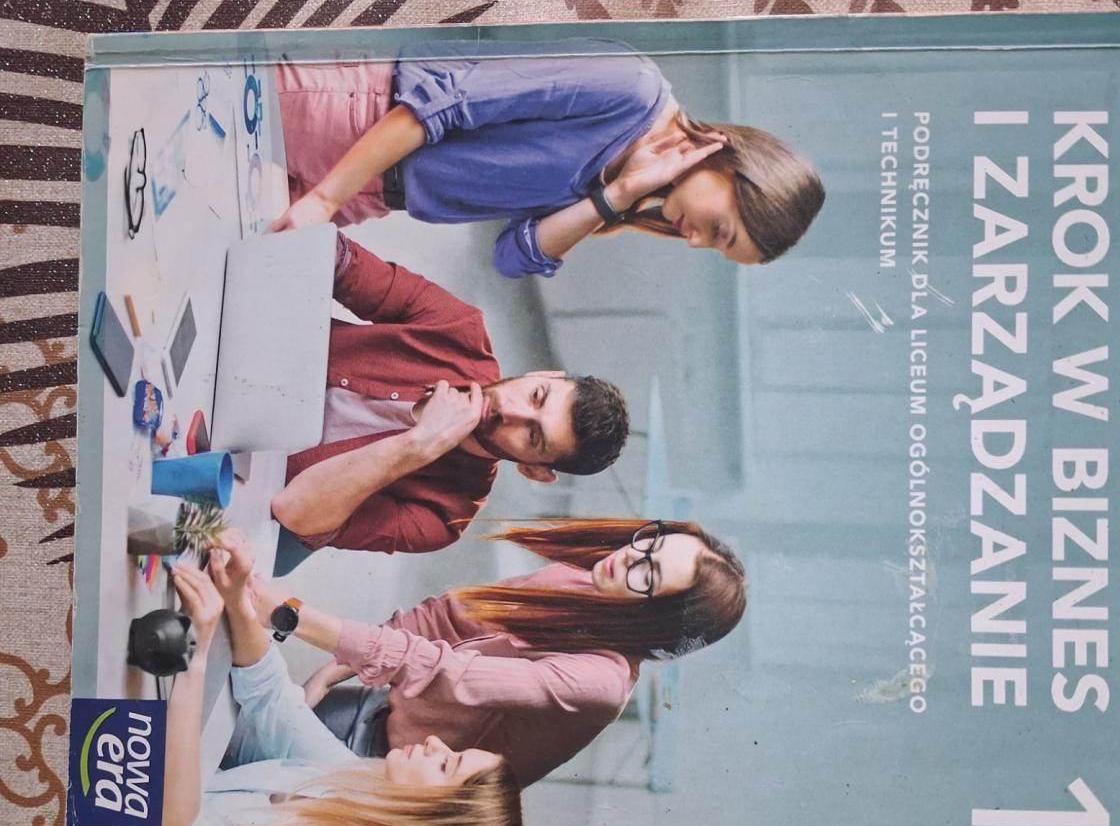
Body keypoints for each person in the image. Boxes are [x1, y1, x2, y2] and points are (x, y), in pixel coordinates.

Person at [245, 518, 747, 788]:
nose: (629, 557)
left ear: (658, 619)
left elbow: (448, 672)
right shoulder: (577, 582)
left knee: (210, 777)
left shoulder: (600, 683)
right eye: (650, 544)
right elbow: (447, 617)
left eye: (649, 575)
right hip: (377, 713)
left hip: (384, 778)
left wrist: (291, 614)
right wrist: (330, 673)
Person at [145, 551, 524, 826]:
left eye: (446, 765)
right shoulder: (353, 783)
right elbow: (273, 701)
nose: (435, 743)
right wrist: (237, 599)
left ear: (435, 823)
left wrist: (197, 649)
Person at [267, 41, 825, 278]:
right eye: (721, 231)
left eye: (716, 249)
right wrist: (326, 198)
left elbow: (512, 259)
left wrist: (613, 199)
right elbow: (443, 102)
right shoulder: (631, 88)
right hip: (351, 117)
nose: (697, 242)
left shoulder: (628, 188)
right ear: (729, 165)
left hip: (368, 194)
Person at [271, 231, 629, 555]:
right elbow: (336, 258)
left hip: (241, 473)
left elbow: (294, 512)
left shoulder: (443, 518)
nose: (510, 410)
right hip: (252, 353)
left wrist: (415, 447)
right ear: (543, 374)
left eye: (533, 435)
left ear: (534, 471)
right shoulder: (459, 329)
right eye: (537, 395)